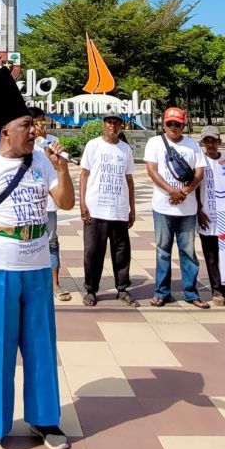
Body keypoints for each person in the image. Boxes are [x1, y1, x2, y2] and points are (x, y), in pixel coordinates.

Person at [0, 67, 75, 449]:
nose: (35, 130)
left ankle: (44, 418)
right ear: (6, 130)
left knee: (41, 345)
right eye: (27, 124)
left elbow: (66, 203)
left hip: (37, 267)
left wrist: (62, 169)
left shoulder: (40, 161)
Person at [144, 107, 210, 309]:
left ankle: (191, 292)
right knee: (163, 250)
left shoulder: (192, 146)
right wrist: (171, 191)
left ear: (183, 125)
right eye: (169, 124)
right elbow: (152, 171)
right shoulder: (155, 142)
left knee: (188, 251)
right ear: (163, 124)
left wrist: (185, 191)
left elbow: (200, 172)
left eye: (177, 124)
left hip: (187, 209)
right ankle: (162, 292)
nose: (173, 127)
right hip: (163, 206)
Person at [79, 114, 137, 307]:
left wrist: (132, 207)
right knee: (93, 252)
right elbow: (84, 175)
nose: (112, 125)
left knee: (121, 252)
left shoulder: (125, 149)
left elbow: (129, 179)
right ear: (103, 125)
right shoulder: (93, 145)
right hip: (96, 209)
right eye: (109, 122)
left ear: (121, 125)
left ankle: (122, 288)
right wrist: (82, 203)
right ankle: (91, 289)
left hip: (118, 209)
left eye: (116, 122)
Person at [194, 125, 225, 307]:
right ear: (202, 143)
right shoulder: (199, 161)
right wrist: (199, 210)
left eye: (213, 140)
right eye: (207, 141)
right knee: (212, 254)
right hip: (208, 214)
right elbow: (195, 187)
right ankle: (218, 289)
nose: (210, 144)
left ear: (219, 142)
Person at [30, 107, 68, 303]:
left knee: (52, 242)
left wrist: (46, 145)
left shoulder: (52, 141)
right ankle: (34, 281)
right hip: (31, 203)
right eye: (37, 122)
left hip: (50, 203)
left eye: (43, 122)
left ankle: (55, 283)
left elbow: (56, 166)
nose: (40, 126)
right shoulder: (25, 142)